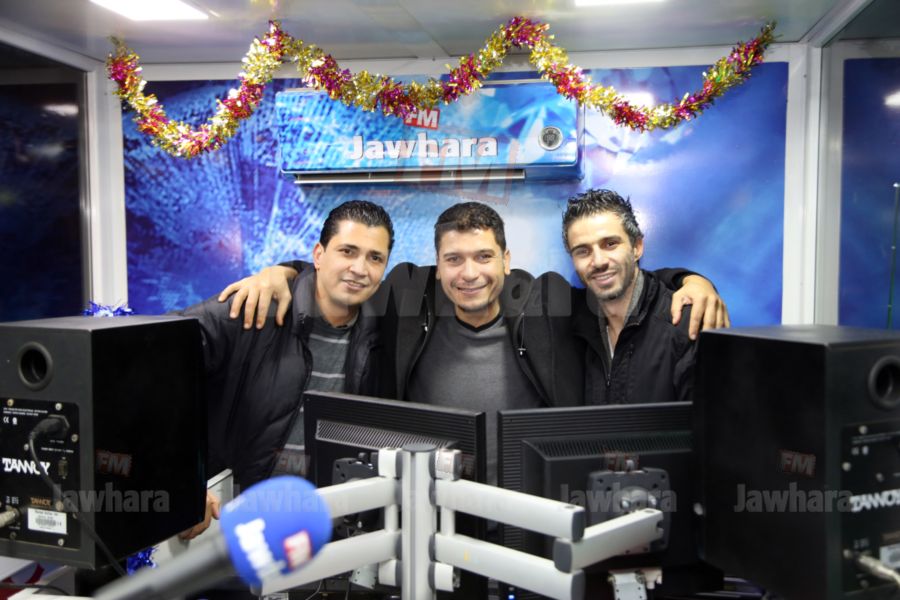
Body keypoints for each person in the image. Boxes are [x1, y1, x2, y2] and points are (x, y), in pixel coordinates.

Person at [179, 200, 394, 495]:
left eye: (375, 258)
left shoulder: (382, 333)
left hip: (327, 513)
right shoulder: (253, 306)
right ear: (319, 255)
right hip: (236, 511)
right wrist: (182, 479)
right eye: (347, 251)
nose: (359, 269)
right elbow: (153, 362)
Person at [564, 189, 699, 404]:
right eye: (583, 251)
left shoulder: (685, 325)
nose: (598, 262)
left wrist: (695, 281)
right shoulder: (572, 328)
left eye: (610, 244)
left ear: (637, 247)